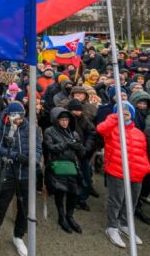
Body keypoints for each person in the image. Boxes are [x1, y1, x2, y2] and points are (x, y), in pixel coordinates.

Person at [0, 102, 42, 256]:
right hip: (8, 172)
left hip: (26, 174)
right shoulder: (1, 126)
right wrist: (15, 156)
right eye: (16, 117)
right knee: (0, 206)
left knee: (24, 208)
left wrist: (33, 160)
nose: (20, 120)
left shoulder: (31, 127)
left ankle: (18, 236)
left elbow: (38, 147)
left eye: (22, 116)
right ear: (10, 116)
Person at [97, 101, 150, 248]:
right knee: (116, 200)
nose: (125, 111)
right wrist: (115, 116)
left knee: (131, 201)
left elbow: (143, 153)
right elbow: (100, 129)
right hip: (117, 170)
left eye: (128, 110)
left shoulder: (138, 132)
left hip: (136, 173)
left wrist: (145, 168)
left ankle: (125, 225)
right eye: (122, 109)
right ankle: (112, 227)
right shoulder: (112, 129)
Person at [44, 107, 85, 234]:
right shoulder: (50, 131)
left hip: (72, 166)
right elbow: (51, 147)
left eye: (66, 120)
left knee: (73, 192)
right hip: (57, 166)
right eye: (62, 120)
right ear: (56, 120)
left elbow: (82, 153)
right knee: (60, 192)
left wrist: (79, 147)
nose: (64, 122)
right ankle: (61, 217)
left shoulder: (73, 133)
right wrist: (67, 144)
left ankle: (70, 216)